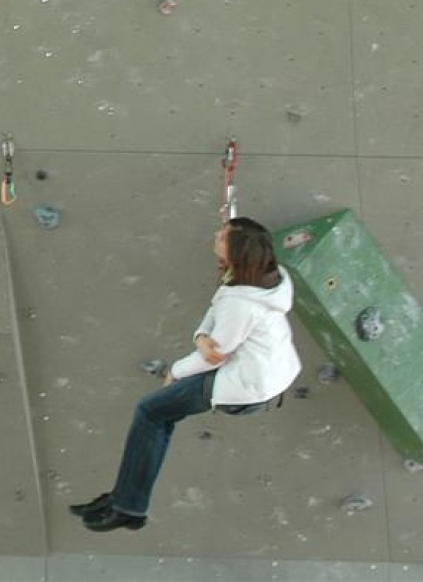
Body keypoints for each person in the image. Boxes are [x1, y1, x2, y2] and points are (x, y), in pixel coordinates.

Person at [72, 217, 301, 532]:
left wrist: (175, 371)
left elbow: (214, 353)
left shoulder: (240, 304)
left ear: (236, 253)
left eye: (224, 235)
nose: (217, 234)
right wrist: (200, 336)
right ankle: (124, 497)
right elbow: (216, 315)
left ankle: (128, 506)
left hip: (247, 385)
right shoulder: (262, 280)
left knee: (150, 413)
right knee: (156, 414)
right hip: (264, 373)